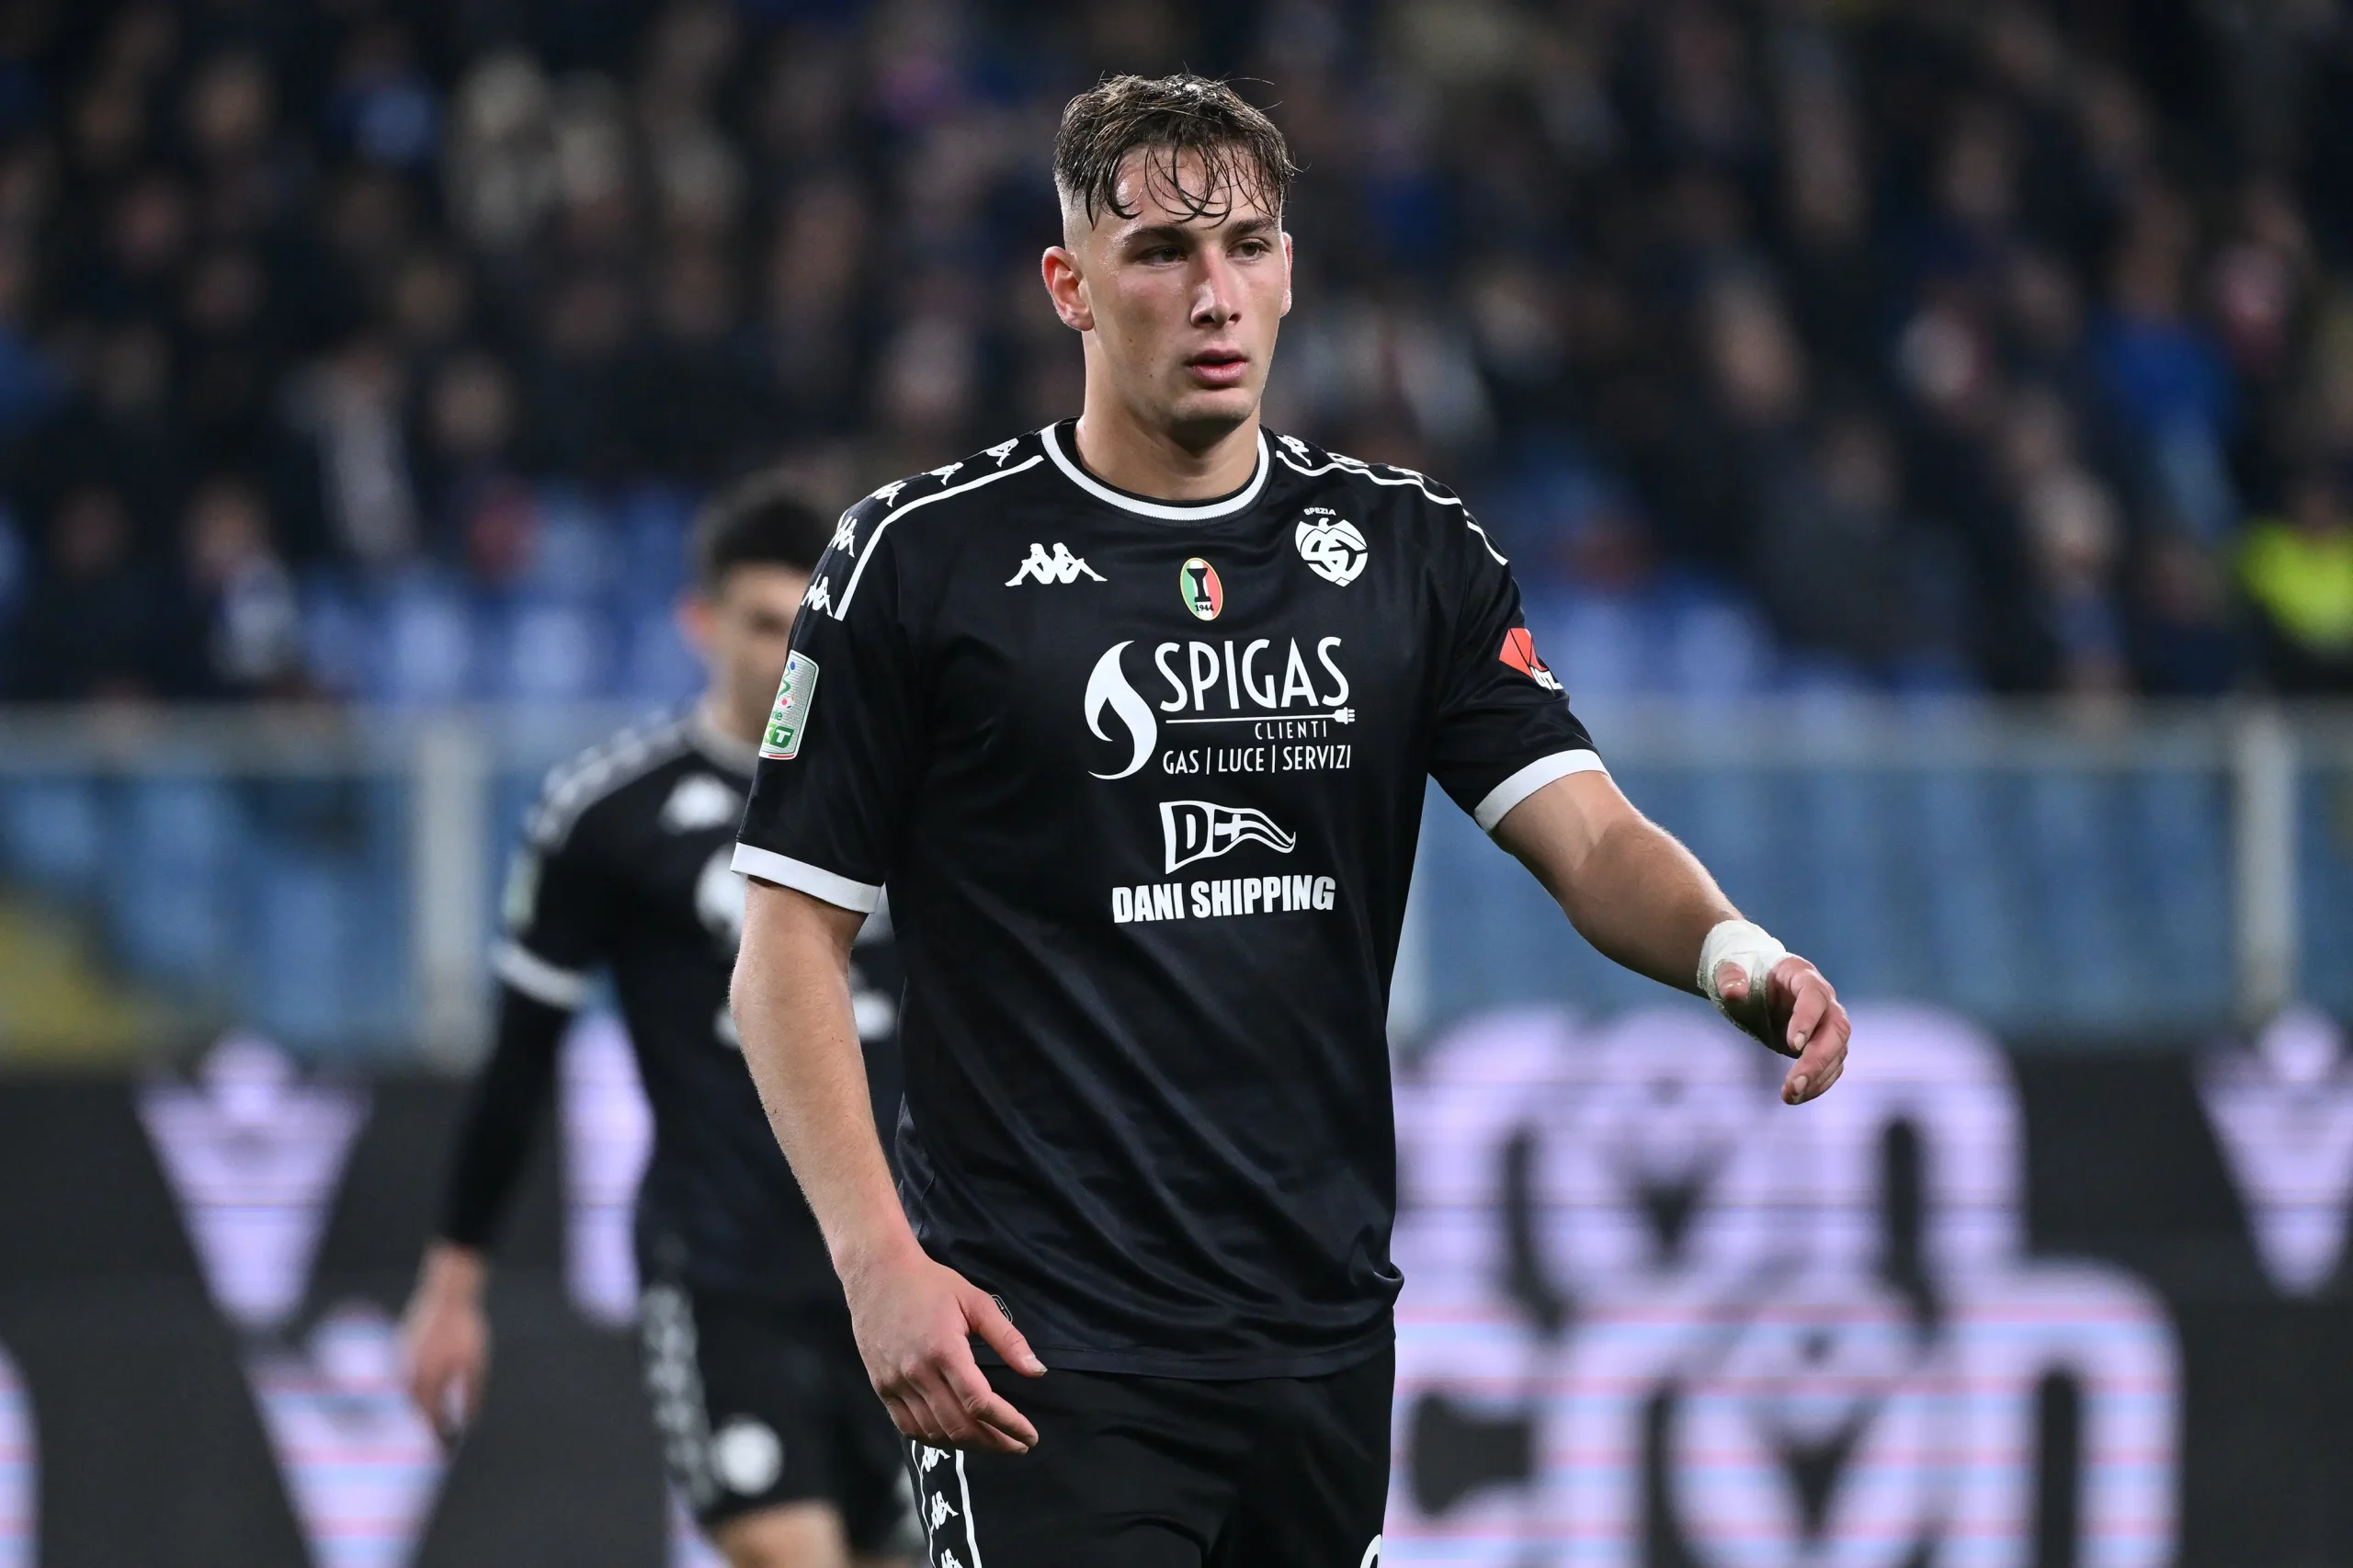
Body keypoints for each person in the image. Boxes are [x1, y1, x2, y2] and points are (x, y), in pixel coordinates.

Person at [726, 74, 1852, 1567]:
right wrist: (877, 1260)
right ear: (1069, 286)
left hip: (1318, 1343)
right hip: (1041, 1348)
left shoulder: (1407, 555)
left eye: (1247, 246)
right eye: (1161, 253)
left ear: (1291, 270)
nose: (1215, 294)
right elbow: (785, 945)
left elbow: (1588, 836)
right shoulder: (922, 561)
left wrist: (1731, 952)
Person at [400, 475, 916, 1568]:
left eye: (809, 625)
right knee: (788, 1551)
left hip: (903, 1262)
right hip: (724, 1264)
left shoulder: (916, 799)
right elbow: (519, 1059)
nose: (790, 655)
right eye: (763, 624)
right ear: (699, 622)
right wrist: (453, 1286)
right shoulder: (608, 814)